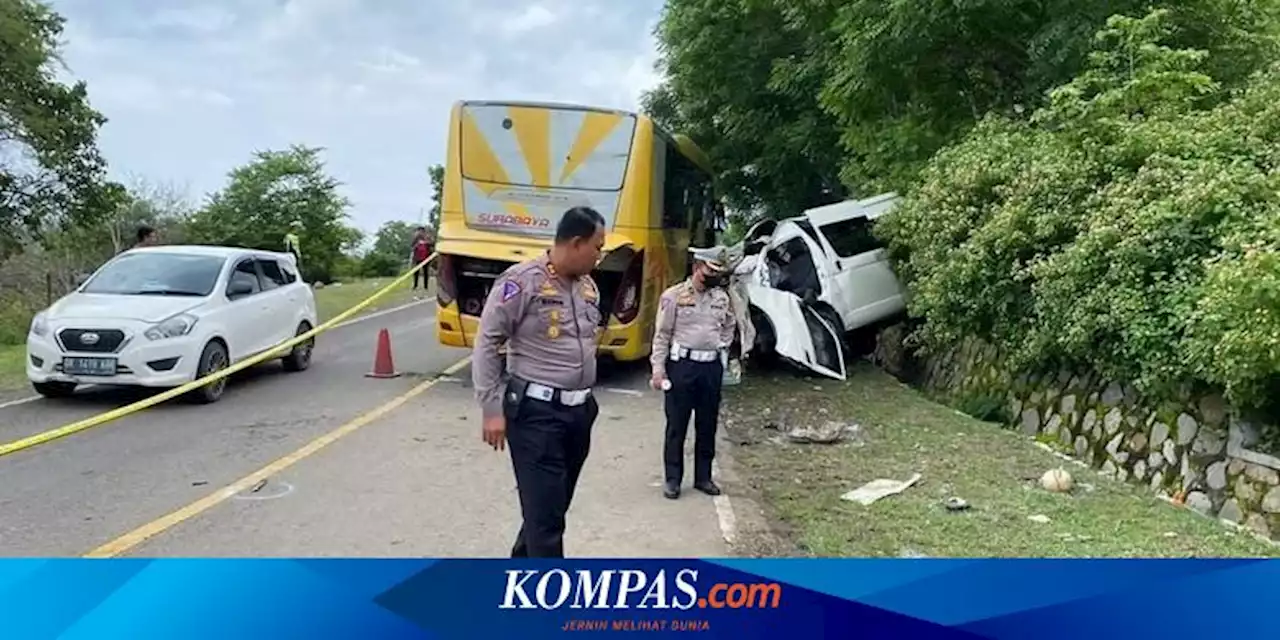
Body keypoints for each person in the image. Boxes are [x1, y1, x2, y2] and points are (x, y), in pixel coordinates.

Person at [472, 206, 607, 558]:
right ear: (576, 243)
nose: (600, 255)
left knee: (549, 509)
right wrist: (491, 409)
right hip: (536, 415)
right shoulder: (522, 281)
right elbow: (488, 341)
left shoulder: (589, 287)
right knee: (547, 524)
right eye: (597, 247)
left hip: (579, 414)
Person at [650, 246, 735, 500]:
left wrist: (721, 344)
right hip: (682, 367)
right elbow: (662, 335)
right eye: (711, 270)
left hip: (710, 367)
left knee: (707, 424)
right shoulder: (673, 296)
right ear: (697, 267)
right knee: (677, 424)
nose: (714, 276)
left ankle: (703, 477)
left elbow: (730, 324)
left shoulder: (721, 297)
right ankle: (673, 480)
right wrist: (658, 370)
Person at [409, 226, 433, 291]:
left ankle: (426, 286)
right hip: (417, 257)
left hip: (425, 257)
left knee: (425, 272)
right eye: (419, 231)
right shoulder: (416, 238)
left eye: (421, 231)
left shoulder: (427, 237)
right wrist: (417, 243)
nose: (420, 233)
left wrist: (425, 243)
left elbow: (432, 243)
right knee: (416, 272)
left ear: (423, 231)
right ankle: (415, 285)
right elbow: (412, 245)